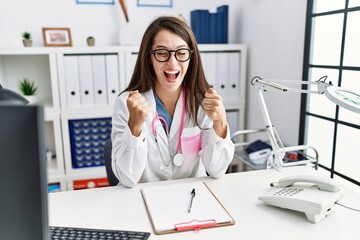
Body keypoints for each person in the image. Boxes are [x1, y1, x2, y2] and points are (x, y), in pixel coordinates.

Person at [111, 16, 234, 187]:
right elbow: (127, 178)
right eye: (162, 53)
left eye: (181, 53)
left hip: (190, 197)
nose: (172, 62)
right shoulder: (126, 104)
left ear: (191, 57)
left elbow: (217, 170)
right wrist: (135, 127)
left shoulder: (202, 102)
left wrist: (220, 123)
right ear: (149, 58)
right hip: (141, 200)